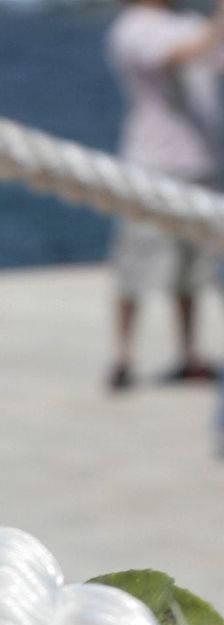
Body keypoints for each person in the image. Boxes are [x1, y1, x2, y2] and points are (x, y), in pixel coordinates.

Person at [104, 0, 224, 390]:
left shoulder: (187, 22)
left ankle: (188, 354)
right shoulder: (133, 28)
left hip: (201, 163)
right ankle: (123, 357)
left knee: (193, 270)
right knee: (134, 265)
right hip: (152, 166)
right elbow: (181, 55)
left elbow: (212, 57)